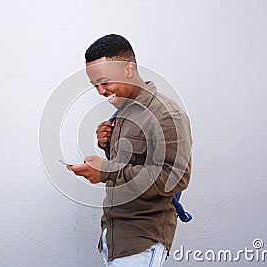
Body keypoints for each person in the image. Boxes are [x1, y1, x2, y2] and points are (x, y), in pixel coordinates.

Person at [70, 34, 192, 267]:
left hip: (141, 241)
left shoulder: (166, 114)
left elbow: (174, 177)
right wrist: (106, 145)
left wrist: (106, 171)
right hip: (116, 238)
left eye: (105, 82)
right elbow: (136, 163)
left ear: (129, 69)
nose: (101, 91)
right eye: (95, 85)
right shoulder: (124, 112)